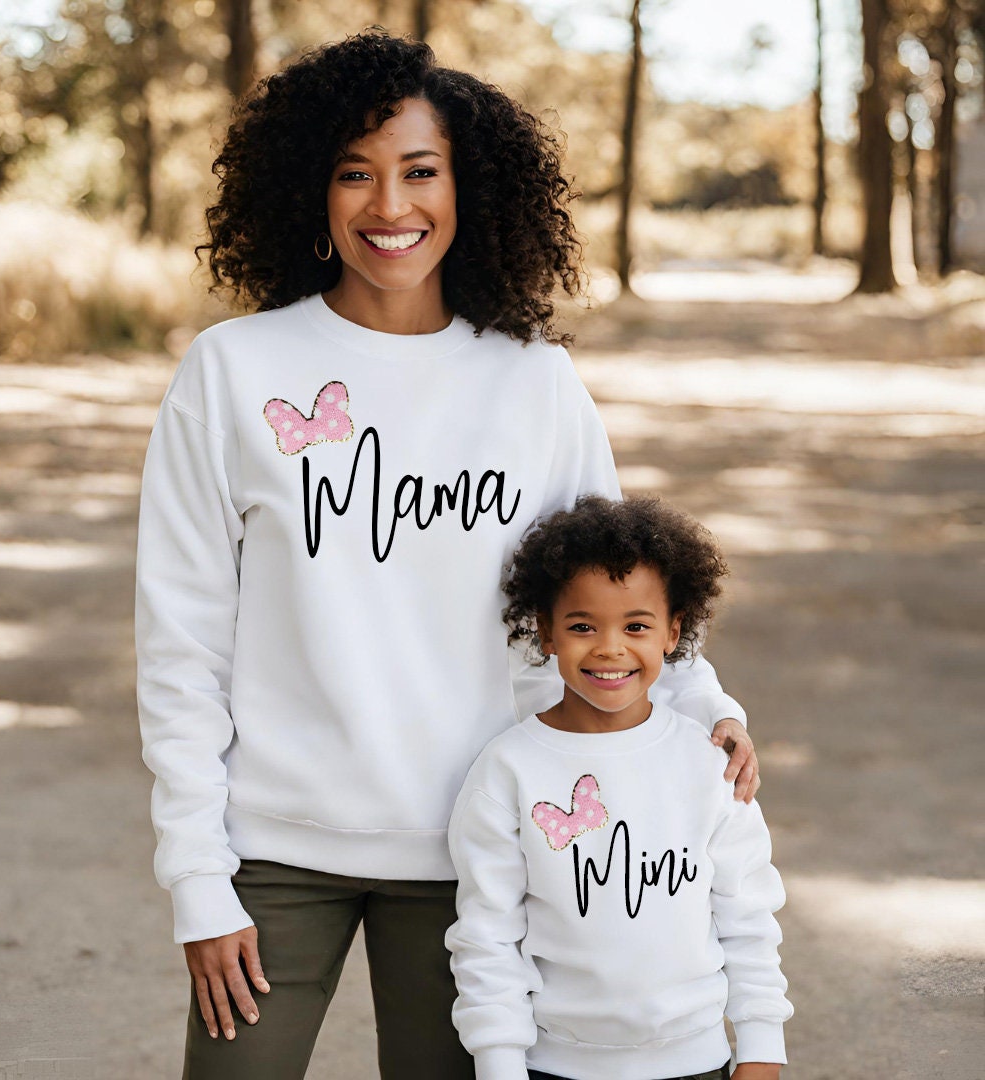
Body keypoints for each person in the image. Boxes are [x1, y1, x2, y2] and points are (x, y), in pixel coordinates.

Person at [135, 30, 760, 1080]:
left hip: (479, 847)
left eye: (421, 172)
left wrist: (706, 704)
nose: (391, 207)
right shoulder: (232, 372)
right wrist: (198, 876)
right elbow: (181, 641)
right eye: (355, 174)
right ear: (309, 191)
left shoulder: (533, 382)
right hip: (274, 850)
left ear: (469, 189)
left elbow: (613, 580)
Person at [445, 494, 792, 1080]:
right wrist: (499, 1064)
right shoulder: (508, 769)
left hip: (698, 1061)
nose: (609, 647)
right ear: (547, 634)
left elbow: (748, 915)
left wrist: (761, 1047)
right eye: (582, 626)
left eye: (636, 625)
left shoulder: (707, 764)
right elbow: (487, 934)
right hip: (553, 1066)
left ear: (672, 634)